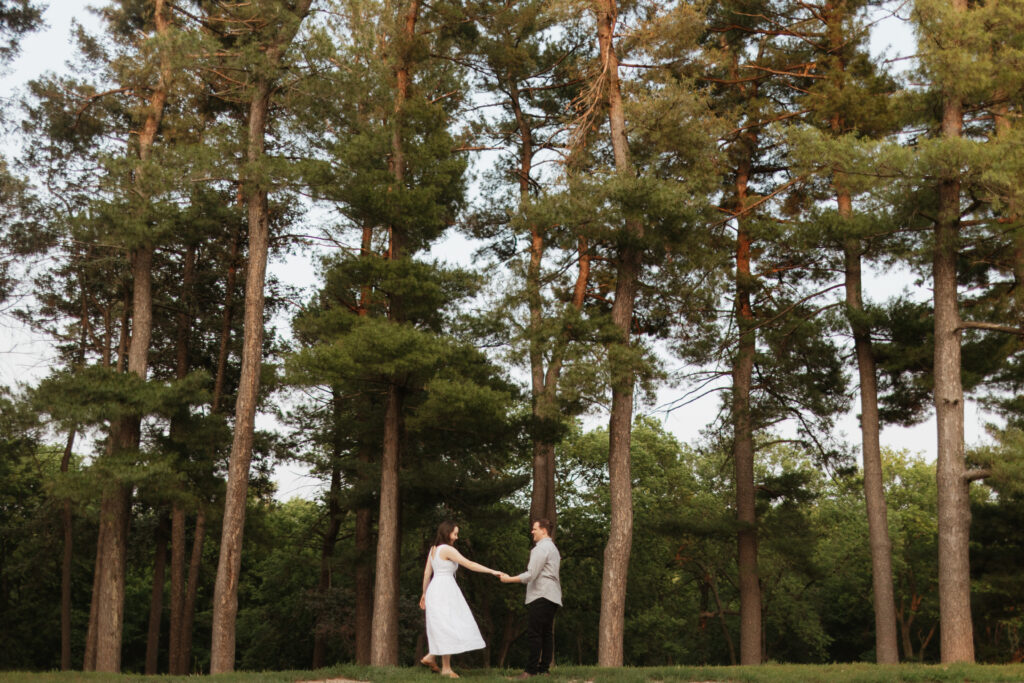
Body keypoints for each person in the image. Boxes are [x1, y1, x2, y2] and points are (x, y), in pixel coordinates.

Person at [419, 520, 502, 679]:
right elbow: (469, 564)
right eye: (455, 533)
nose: (456, 537)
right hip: (445, 589)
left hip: (435, 589)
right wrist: (492, 571)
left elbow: (426, 574)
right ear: (447, 533)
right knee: (448, 625)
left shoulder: (433, 550)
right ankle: (445, 668)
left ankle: (433, 657)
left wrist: (424, 593)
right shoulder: (447, 549)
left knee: (444, 625)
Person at [499, 518, 561, 679]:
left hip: (541, 594)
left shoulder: (540, 549)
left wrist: (509, 579)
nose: (532, 531)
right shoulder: (553, 548)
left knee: (534, 633)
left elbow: (531, 575)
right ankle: (544, 670)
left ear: (544, 530)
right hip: (553, 596)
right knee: (547, 633)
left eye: (534, 529)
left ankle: (530, 671)